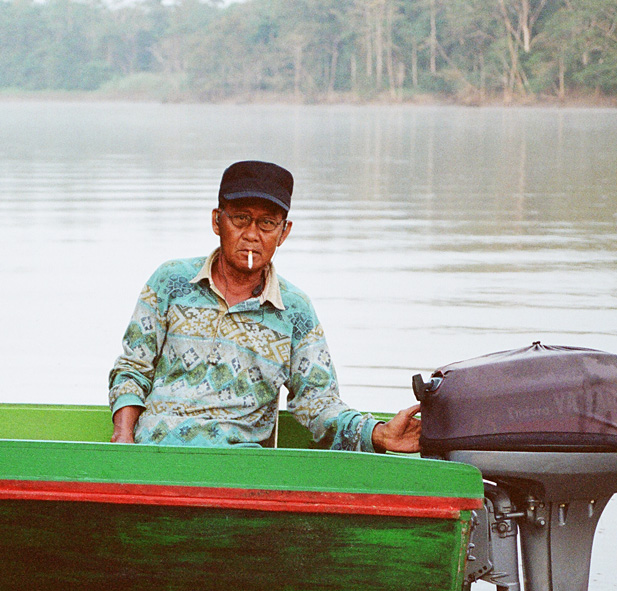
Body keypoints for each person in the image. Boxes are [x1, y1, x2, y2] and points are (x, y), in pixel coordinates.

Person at [107, 160, 421, 452]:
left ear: (284, 233)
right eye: (241, 219)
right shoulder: (171, 282)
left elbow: (318, 402)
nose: (252, 235)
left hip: (238, 469)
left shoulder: (294, 311)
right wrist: (123, 437)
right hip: (154, 455)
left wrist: (378, 433)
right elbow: (133, 369)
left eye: (267, 224)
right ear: (218, 221)